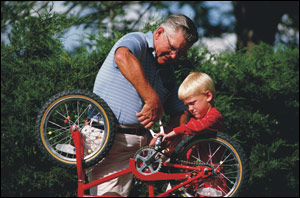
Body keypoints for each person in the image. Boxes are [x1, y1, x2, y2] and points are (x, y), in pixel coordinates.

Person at [86, 14, 199, 196]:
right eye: (172, 48)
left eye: (181, 53)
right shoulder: (136, 41)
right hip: (107, 139)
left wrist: (169, 137)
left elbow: (181, 112)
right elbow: (122, 56)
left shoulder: (167, 73)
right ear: (159, 33)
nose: (174, 56)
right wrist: (151, 99)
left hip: (140, 148)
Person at [153, 72, 225, 154]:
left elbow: (197, 126)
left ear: (208, 96)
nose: (190, 109)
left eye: (192, 103)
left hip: (210, 164)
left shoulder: (214, 116)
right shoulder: (195, 121)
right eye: (187, 105)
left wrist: (174, 132)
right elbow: (184, 138)